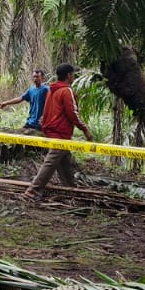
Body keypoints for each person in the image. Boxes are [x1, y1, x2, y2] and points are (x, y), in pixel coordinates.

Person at [25, 63, 94, 199]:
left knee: (64, 161)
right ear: (69, 75)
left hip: (51, 129)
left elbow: (47, 108)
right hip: (60, 132)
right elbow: (73, 113)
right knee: (51, 161)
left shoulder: (52, 89)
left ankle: (71, 188)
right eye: (73, 74)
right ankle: (33, 190)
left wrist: (45, 124)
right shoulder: (66, 91)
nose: (74, 77)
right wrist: (85, 130)